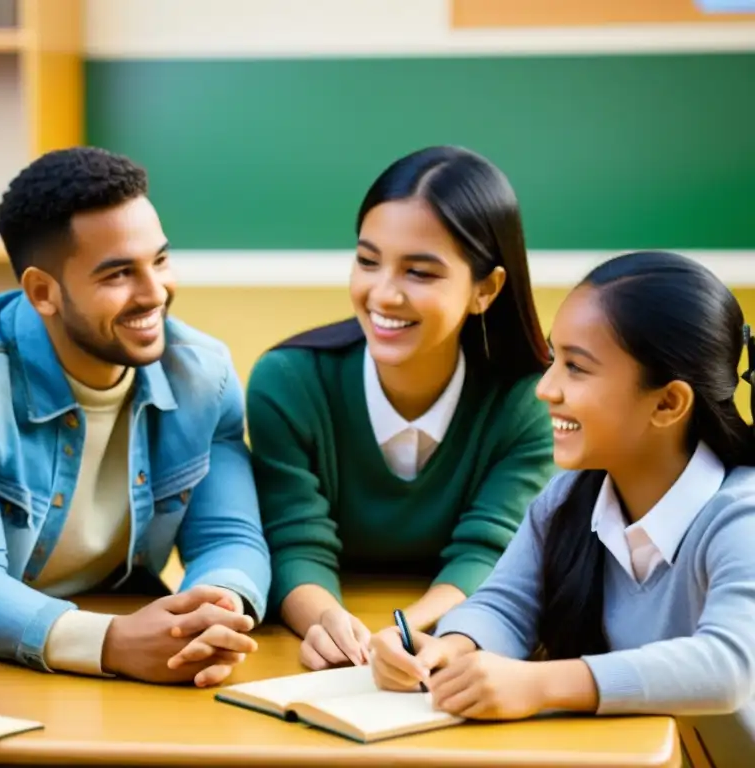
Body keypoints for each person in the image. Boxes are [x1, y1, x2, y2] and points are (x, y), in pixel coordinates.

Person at [0, 147, 271, 688]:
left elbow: (229, 536)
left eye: (160, 260)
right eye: (118, 275)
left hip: (110, 627)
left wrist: (213, 612)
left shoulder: (204, 374)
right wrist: (113, 644)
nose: (155, 293)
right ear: (43, 292)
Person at [369, 251, 755, 764]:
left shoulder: (740, 517)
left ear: (667, 403)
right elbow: (506, 605)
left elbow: (727, 665)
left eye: (576, 367)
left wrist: (542, 684)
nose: (545, 388)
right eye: (554, 359)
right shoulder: (570, 497)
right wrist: (450, 648)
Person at [246, 146, 556, 670]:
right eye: (368, 261)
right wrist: (330, 626)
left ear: (486, 289)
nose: (383, 294)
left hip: (453, 643)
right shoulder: (288, 383)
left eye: (420, 272)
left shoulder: (527, 400)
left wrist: (404, 631)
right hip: (317, 645)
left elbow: (489, 553)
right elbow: (295, 544)